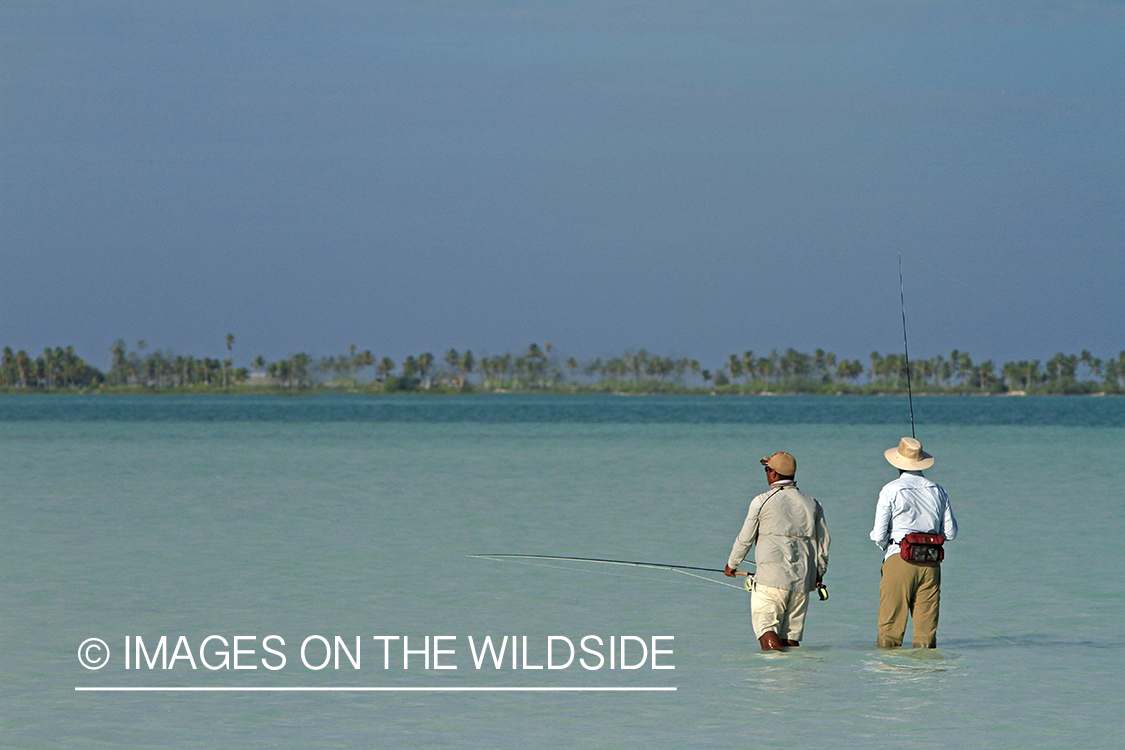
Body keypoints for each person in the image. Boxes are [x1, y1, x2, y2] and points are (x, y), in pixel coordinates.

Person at [724, 451, 830, 651]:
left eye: (767, 469)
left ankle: (773, 677)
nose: (766, 473)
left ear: (773, 473)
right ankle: (792, 678)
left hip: (770, 580)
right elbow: (824, 544)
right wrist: (818, 574)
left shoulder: (762, 500)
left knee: (766, 629)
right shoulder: (813, 503)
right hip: (803, 579)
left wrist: (732, 564)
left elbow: (745, 538)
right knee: (790, 637)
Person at [870, 437, 958, 648]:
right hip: (931, 563)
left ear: (897, 463)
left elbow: (879, 534)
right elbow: (951, 532)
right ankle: (926, 678)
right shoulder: (938, 490)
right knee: (926, 635)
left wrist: (888, 549)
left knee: (890, 631)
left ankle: (891, 676)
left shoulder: (890, 489)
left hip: (899, 558)